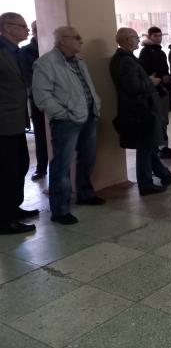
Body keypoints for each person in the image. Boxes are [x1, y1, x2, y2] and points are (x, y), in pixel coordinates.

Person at [33, 26, 106, 225]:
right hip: (66, 122)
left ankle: (85, 194)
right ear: (63, 40)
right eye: (77, 37)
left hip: (88, 116)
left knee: (87, 159)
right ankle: (60, 210)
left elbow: (86, 88)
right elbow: (42, 96)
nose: (81, 40)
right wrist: (63, 114)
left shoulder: (79, 61)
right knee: (62, 165)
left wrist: (96, 105)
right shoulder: (46, 63)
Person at [110, 28, 171, 195]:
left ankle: (164, 175)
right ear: (127, 40)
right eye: (135, 37)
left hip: (141, 108)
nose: (138, 40)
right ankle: (146, 184)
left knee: (150, 147)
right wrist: (151, 82)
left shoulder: (127, 58)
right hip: (139, 110)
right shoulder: (125, 61)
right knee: (145, 148)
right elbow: (132, 87)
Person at [0, 12, 37, 234]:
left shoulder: (15, 52)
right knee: (6, 171)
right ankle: (3, 220)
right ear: (7, 27)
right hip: (3, 123)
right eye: (22, 26)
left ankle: (13, 208)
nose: (27, 30)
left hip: (16, 121)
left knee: (20, 165)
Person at [138, 26, 171, 159]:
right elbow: (146, 72)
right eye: (155, 36)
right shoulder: (145, 52)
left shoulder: (160, 51)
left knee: (164, 121)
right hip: (155, 90)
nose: (158, 38)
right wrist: (161, 78)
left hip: (163, 88)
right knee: (159, 120)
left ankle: (164, 147)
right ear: (149, 36)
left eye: (160, 35)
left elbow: (163, 68)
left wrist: (168, 77)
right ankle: (160, 148)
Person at [18, 21, 48, 180]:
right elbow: (28, 77)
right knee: (41, 135)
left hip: (57, 97)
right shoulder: (25, 52)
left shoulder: (51, 48)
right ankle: (41, 167)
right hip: (37, 99)